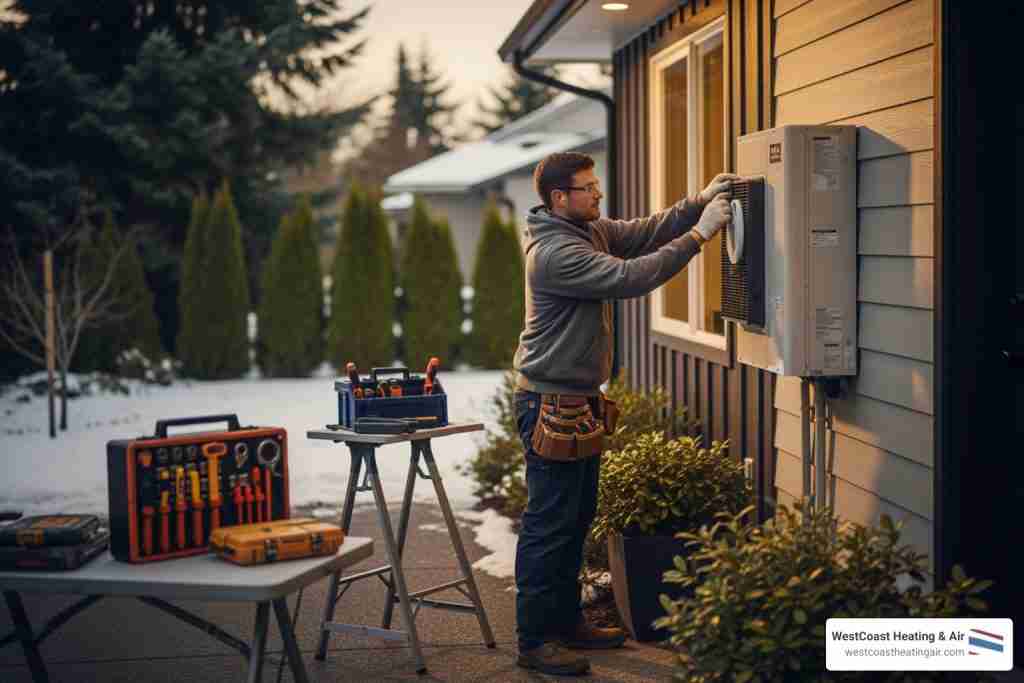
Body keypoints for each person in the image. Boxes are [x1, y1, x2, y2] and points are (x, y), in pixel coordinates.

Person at [513, 151, 737, 676]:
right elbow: (632, 276)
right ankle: (534, 640)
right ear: (558, 199)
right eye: (588, 188)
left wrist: (697, 202)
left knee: (575, 520)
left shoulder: (587, 229)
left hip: (578, 401)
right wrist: (700, 235)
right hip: (548, 403)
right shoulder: (553, 253)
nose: (599, 195)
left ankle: (567, 624)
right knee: (549, 527)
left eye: (597, 186)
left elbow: (643, 231)